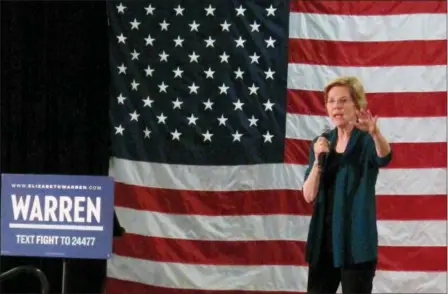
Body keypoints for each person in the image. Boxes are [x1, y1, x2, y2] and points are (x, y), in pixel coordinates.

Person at [302, 76, 392, 294]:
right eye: (331, 101)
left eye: (343, 101)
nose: (336, 107)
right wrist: (317, 162)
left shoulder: (366, 141)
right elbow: (308, 195)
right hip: (324, 243)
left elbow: (385, 157)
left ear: (357, 105)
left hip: (356, 243)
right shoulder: (321, 143)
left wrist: (375, 132)